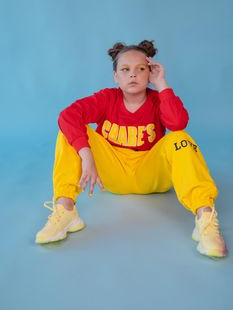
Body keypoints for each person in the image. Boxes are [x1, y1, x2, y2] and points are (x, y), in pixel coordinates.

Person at [35, 40, 228, 258]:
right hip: (113, 176)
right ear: (116, 76)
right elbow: (68, 116)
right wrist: (86, 154)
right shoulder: (107, 98)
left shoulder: (158, 99)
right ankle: (66, 210)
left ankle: (205, 217)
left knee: (180, 138)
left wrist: (162, 84)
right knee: (67, 132)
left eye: (141, 69)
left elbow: (177, 123)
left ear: (150, 73)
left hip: (152, 175)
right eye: (125, 70)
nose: (133, 75)